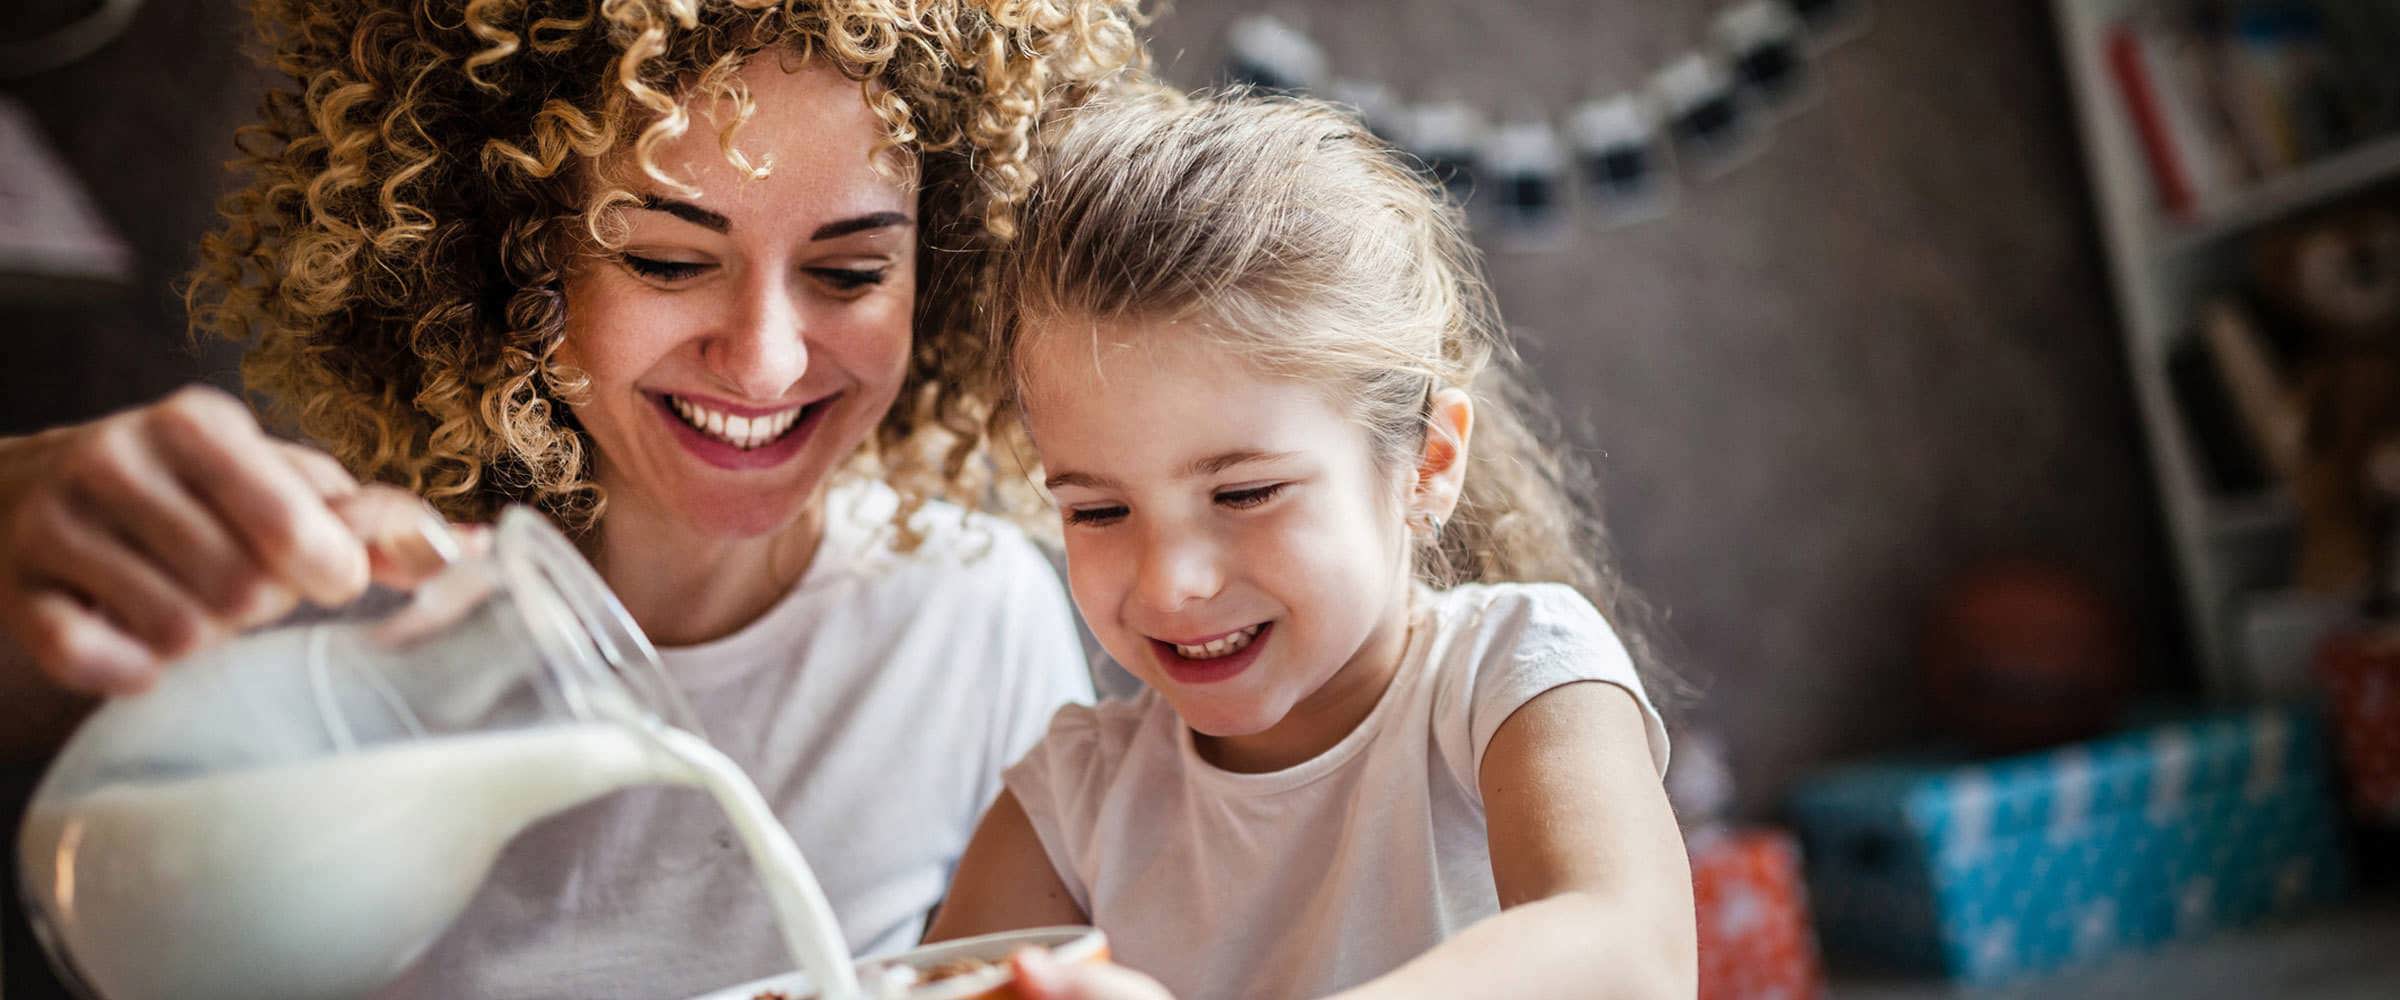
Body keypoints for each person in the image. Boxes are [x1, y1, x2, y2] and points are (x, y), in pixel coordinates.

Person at [0, 2, 1145, 996]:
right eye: (665, 259)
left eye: (849, 272)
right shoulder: (309, 594)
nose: (765, 364)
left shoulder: (972, 619)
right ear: (517, 261)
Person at [922, 90, 1696, 999]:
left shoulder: (1516, 678)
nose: (1171, 584)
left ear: (1428, 462)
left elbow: (1628, 956)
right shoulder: (1072, 803)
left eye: (1245, 493)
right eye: (1096, 511)